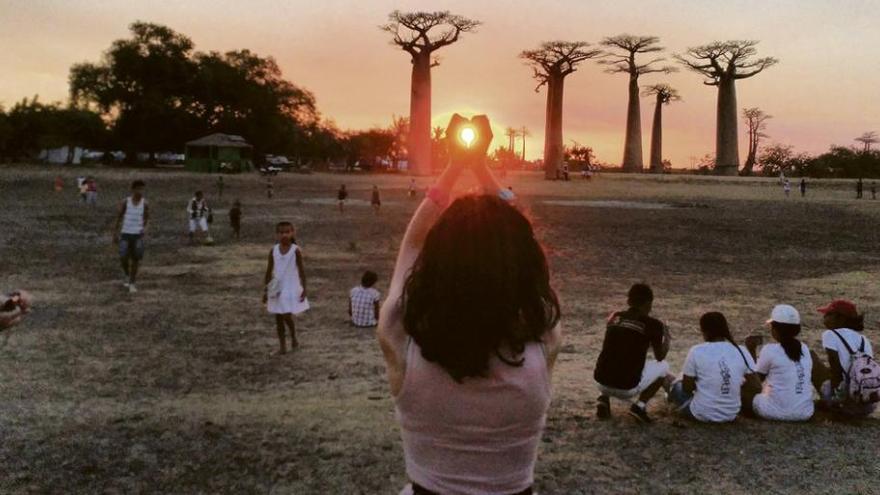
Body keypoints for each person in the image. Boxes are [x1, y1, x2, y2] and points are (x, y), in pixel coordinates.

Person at [377, 114, 562, 495]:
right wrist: (481, 167)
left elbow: (412, 244)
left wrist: (454, 167)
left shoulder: (400, 335)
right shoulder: (544, 339)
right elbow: (530, 258)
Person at [594, 283, 673, 423]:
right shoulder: (654, 324)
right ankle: (639, 406)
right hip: (627, 387)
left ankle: (603, 398)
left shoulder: (615, 317)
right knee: (664, 366)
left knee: (612, 353)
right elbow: (660, 356)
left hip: (600, 381)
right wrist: (666, 337)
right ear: (649, 303)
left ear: (629, 300)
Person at [667, 312, 760, 423]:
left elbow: (687, 388)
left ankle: (671, 402)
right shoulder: (741, 350)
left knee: (675, 384)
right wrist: (731, 386)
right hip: (731, 413)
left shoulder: (697, 350)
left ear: (703, 331)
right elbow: (756, 386)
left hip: (700, 413)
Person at [743, 305, 814, 421]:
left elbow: (755, 381)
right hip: (805, 412)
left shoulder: (770, 350)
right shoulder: (804, 348)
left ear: (775, 329)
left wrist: (751, 350)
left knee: (742, 391)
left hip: (775, 412)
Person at [812, 300, 877, 416]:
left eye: (829, 314)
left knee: (811, 357)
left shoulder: (830, 334)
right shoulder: (863, 339)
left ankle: (833, 403)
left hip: (845, 405)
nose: (824, 317)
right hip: (867, 405)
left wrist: (835, 402)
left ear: (841, 319)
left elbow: (836, 369)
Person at [262, 221, 309, 354]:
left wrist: (304, 288)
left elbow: (302, 271)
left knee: (286, 316)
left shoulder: (296, 251)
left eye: (287, 232)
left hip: (290, 287)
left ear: (292, 233)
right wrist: (266, 290)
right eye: (281, 232)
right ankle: (282, 346)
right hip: (276, 287)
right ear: (277, 234)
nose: (284, 235)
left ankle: (294, 336)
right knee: (278, 318)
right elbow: (268, 271)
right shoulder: (273, 250)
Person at [113, 180, 149, 293]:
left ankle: (132, 283)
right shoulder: (126, 202)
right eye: (138, 189)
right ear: (133, 189)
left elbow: (147, 218)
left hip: (137, 235)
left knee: (135, 259)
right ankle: (127, 275)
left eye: (142, 189)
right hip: (125, 233)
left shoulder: (145, 203)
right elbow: (119, 217)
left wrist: (145, 228)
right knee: (123, 256)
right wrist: (115, 233)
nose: (141, 191)